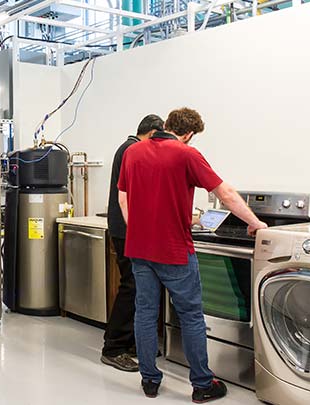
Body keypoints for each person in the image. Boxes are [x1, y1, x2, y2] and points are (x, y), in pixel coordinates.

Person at [117, 108, 268, 402]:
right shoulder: (186, 154)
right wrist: (255, 222)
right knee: (191, 316)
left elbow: (123, 197)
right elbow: (225, 193)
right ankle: (201, 384)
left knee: (146, 313)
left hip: (139, 249)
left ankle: (149, 380)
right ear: (189, 134)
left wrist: (138, 228)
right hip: (174, 250)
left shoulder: (132, 153)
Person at [101, 114, 165, 373]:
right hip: (126, 229)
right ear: (152, 134)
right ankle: (113, 347)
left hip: (125, 228)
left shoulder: (126, 147)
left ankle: (129, 342)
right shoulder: (132, 149)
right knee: (131, 286)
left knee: (137, 286)